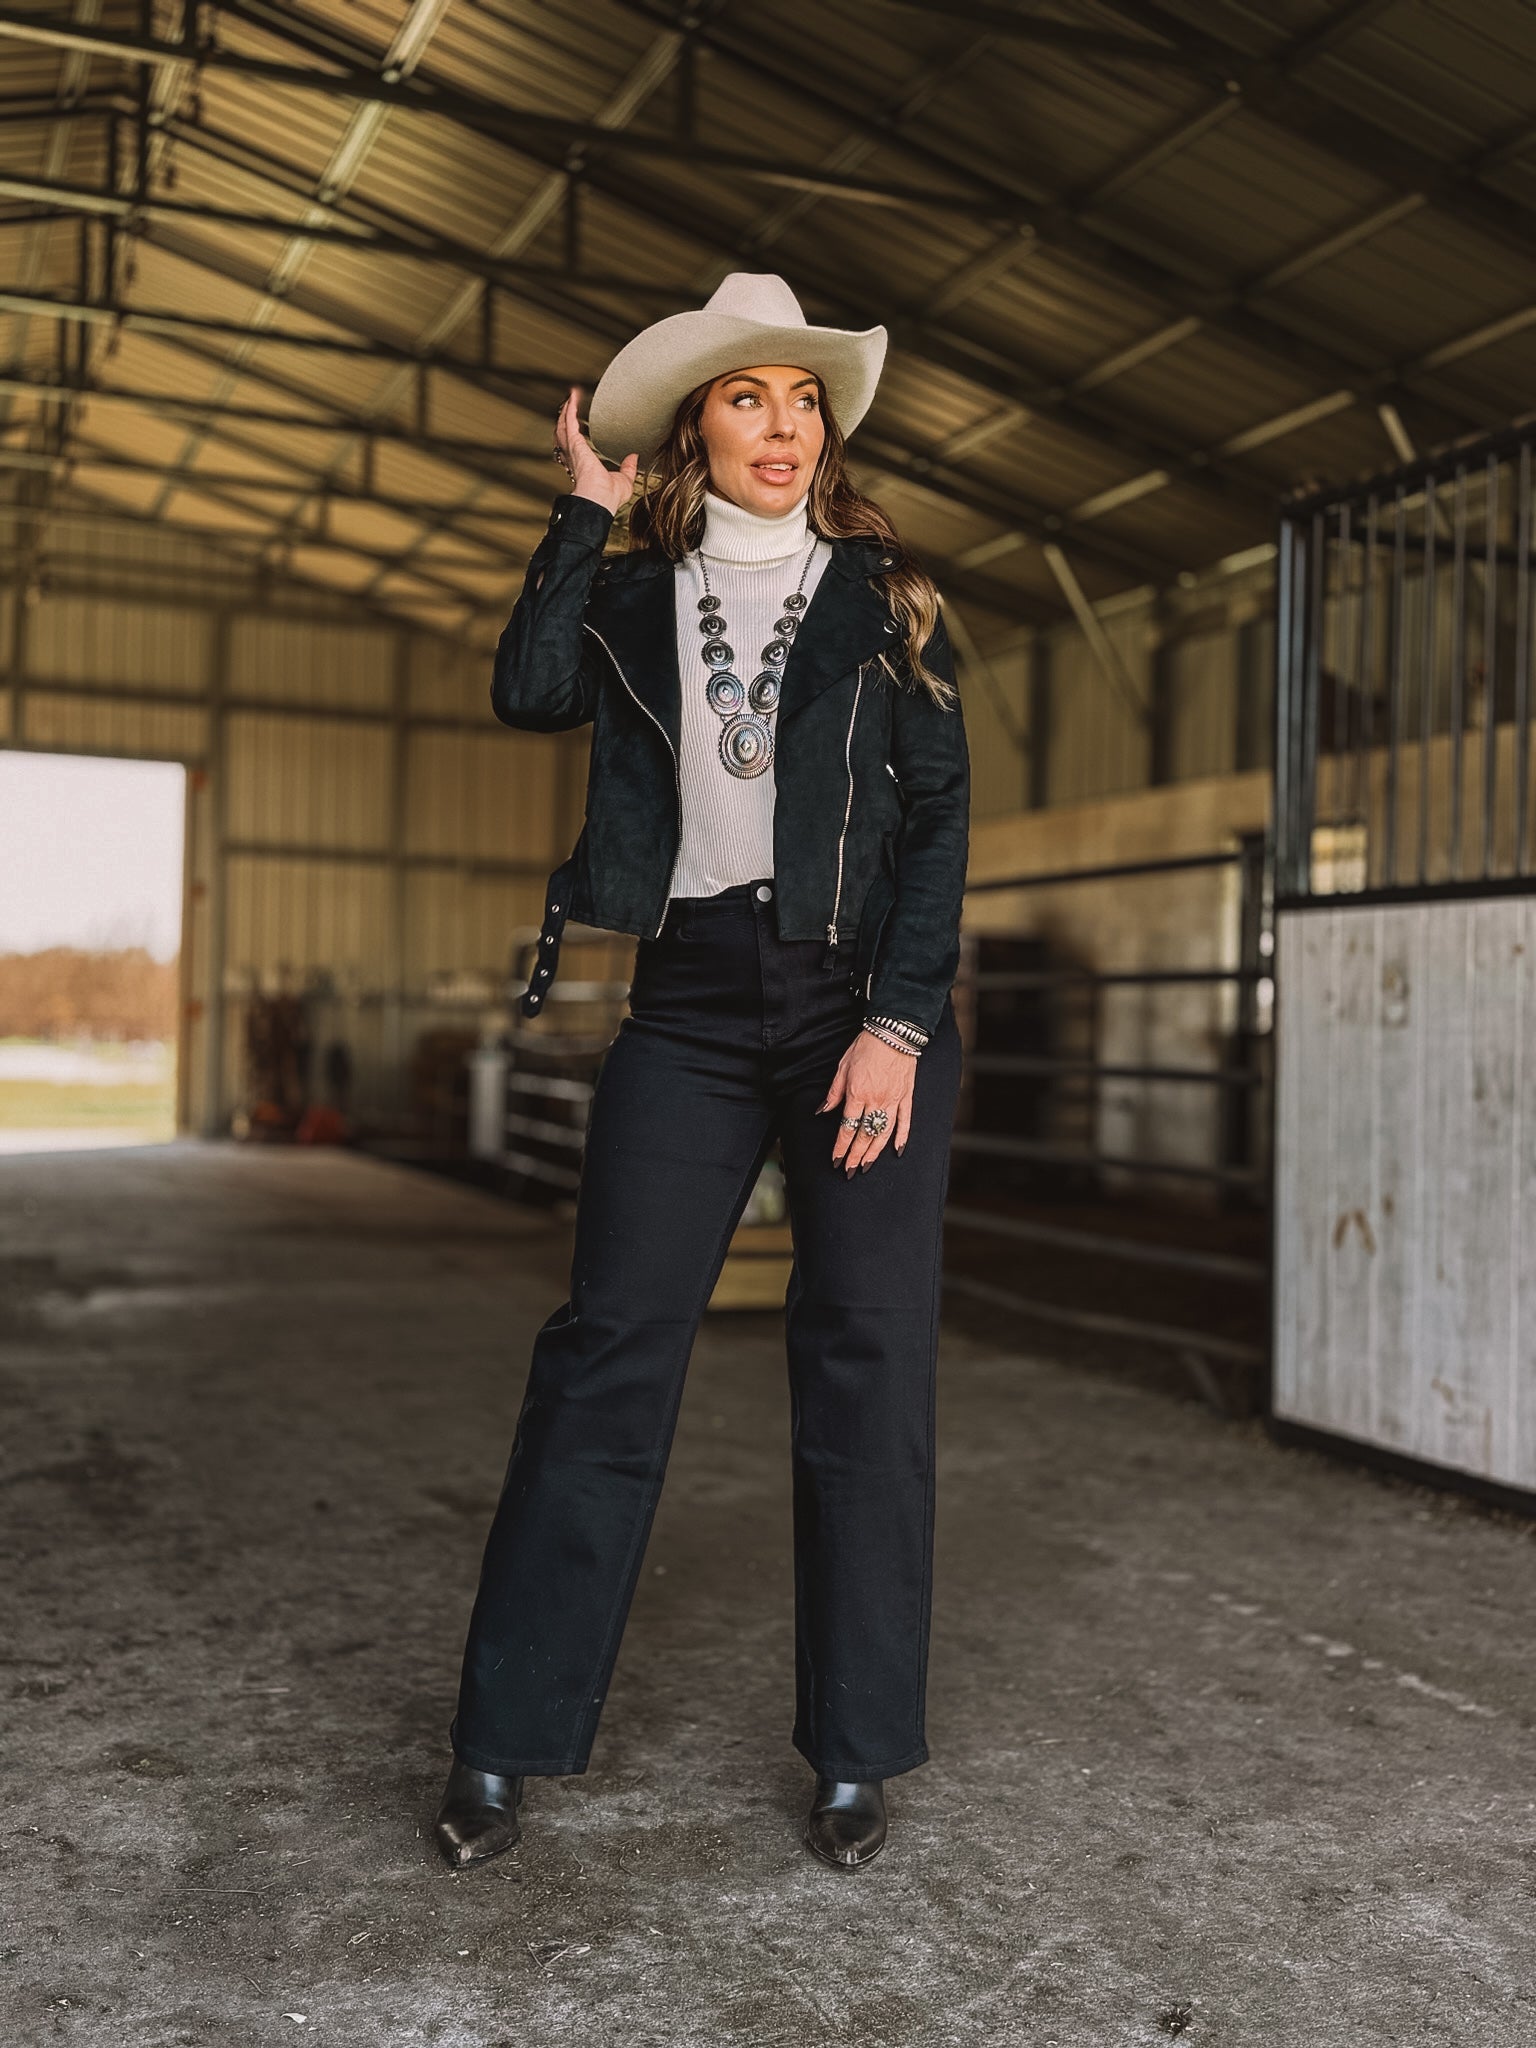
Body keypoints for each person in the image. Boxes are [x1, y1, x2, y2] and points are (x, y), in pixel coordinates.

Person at [434, 273, 970, 1873]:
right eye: (749, 399)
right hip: (685, 1005)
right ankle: (499, 1742)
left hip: (852, 1007)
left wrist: (899, 1024)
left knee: (867, 1359)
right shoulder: (628, 593)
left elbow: (938, 822)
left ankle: (858, 1755)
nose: (784, 427)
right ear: (692, 432)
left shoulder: (892, 602)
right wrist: (578, 518)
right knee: (606, 1351)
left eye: (803, 401)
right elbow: (524, 691)